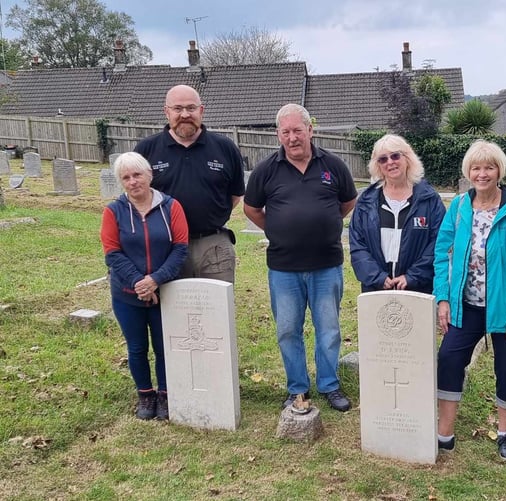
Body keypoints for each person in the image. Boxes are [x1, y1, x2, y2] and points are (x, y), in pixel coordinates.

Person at [244, 104, 358, 412]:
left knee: (329, 329)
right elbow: (251, 208)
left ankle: (330, 385)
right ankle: (297, 388)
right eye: (285, 132)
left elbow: (348, 201)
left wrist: (324, 222)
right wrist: (279, 229)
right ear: (278, 135)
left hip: (326, 265)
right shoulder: (266, 170)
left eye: (298, 130)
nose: (292, 138)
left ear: (310, 130)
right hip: (284, 268)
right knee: (287, 330)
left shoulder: (333, 165)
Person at [433, 140, 506, 460]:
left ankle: (505, 433)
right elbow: (442, 254)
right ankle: (445, 432)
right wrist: (443, 298)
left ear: (499, 171)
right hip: (466, 306)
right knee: (449, 359)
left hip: (505, 308)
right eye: (476, 168)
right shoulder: (459, 207)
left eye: (489, 167)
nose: (482, 174)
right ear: (468, 171)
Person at [100, 152, 189, 420]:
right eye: (125, 177)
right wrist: (140, 283)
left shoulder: (171, 207)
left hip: (165, 291)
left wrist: (156, 280)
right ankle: (145, 395)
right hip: (127, 294)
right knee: (137, 347)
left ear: (150, 175)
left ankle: (164, 395)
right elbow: (112, 253)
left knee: (164, 346)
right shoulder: (113, 211)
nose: (132, 182)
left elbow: (180, 248)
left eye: (137, 175)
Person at [134, 84, 245, 283]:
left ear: (201, 110)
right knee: (173, 312)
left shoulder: (225, 148)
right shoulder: (146, 149)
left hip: (214, 246)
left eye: (191, 108)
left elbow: (235, 195)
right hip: (165, 246)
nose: (185, 114)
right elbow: (136, 197)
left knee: (218, 311)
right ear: (166, 112)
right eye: (177, 108)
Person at [349, 134, 445, 294]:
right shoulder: (366, 202)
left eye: (395, 156)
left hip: (418, 290)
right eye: (383, 159)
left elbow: (439, 243)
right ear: (377, 165)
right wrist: (377, 277)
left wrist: (412, 276)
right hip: (376, 290)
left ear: (407, 158)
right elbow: (357, 246)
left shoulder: (429, 199)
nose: (390, 162)